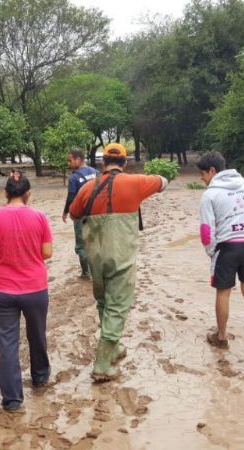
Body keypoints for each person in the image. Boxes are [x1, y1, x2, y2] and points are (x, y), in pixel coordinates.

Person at [68, 143, 168, 382]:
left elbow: (74, 214)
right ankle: (102, 364)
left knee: (103, 302)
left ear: (102, 163)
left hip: (95, 258)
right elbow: (163, 181)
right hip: (121, 256)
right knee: (118, 305)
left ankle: (113, 347)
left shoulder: (87, 188)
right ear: (125, 163)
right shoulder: (136, 183)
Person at [0, 170, 53, 412]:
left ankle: (12, 399)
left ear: (5, 193)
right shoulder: (39, 216)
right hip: (35, 288)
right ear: (28, 194)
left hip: (2, 289)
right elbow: (47, 253)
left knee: (7, 342)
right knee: (37, 334)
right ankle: (40, 376)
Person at [197, 151, 244, 354]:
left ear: (212, 171)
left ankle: (221, 337)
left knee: (223, 292)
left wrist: (212, 252)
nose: (202, 179)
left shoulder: (210, 195)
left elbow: (206, 231)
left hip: (227, 246)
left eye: (203, 174)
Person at [61, 148, 98, 279]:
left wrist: (65, 212)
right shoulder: (95, 172)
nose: (68, 163)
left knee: (81, 245)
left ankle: (86, 273)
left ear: (78, 159)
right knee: (95, 242)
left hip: (80, 215)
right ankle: (97, 271)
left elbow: (71, 197)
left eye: (70, 160)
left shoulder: (74, 177)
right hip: (96, 214)